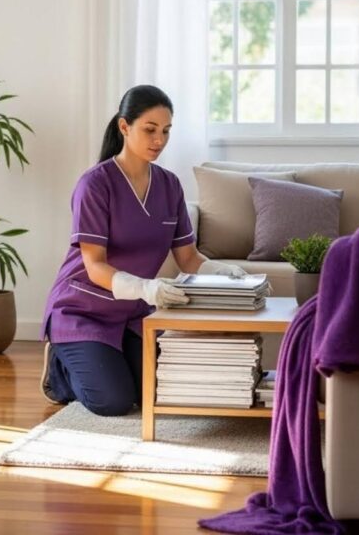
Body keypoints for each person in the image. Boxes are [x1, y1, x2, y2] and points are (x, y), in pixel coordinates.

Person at [39, 85, 247, 416]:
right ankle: (61, 372)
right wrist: (148, 288)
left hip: (133, 313)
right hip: (83, 310)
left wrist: (225, 274)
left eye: (165, 131)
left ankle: (111, 358)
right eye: (150, 130)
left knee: (158, 391)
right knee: (113, 401)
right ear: (124, 127)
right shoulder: (94, 185)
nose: (159, 140)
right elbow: (94, 265)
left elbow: (188, 258)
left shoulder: (169, 185)